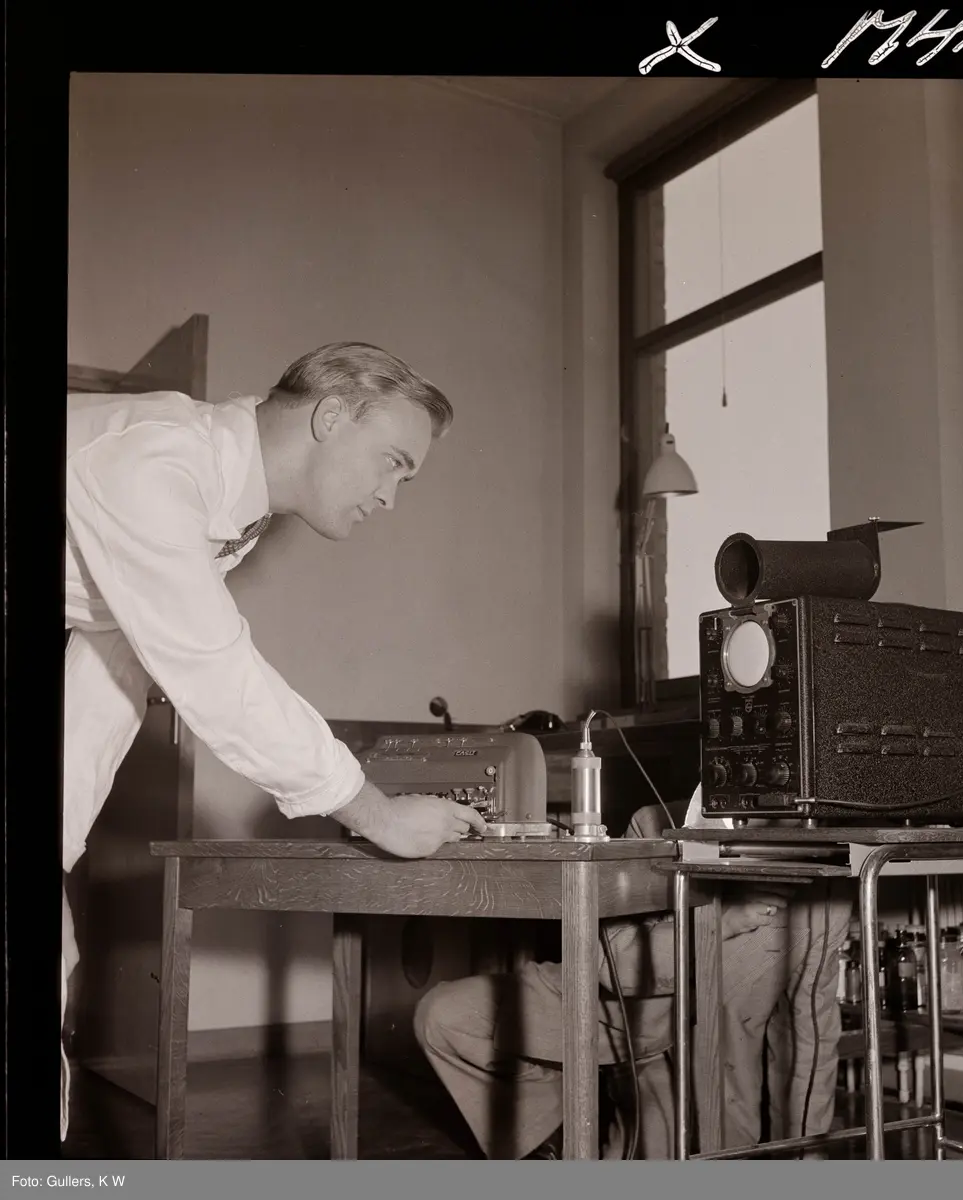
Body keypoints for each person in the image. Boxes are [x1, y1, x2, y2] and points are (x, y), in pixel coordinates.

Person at [62, 342, 486, 1137]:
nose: (390, 498)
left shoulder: (235, 514)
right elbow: (214, 671)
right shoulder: (156, 464)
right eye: (393, 463)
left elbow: (111, 662)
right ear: (331, 416)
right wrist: (376, 813)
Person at [413, 801, 853, 1159]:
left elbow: (810, 1036)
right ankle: (554, 1138)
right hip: (601, 1013)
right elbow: (615, 966)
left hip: (690, 1060)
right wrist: (720, 921)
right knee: (444, 1017)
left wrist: (807, 1158)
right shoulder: (653, 820)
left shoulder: (824, 875)